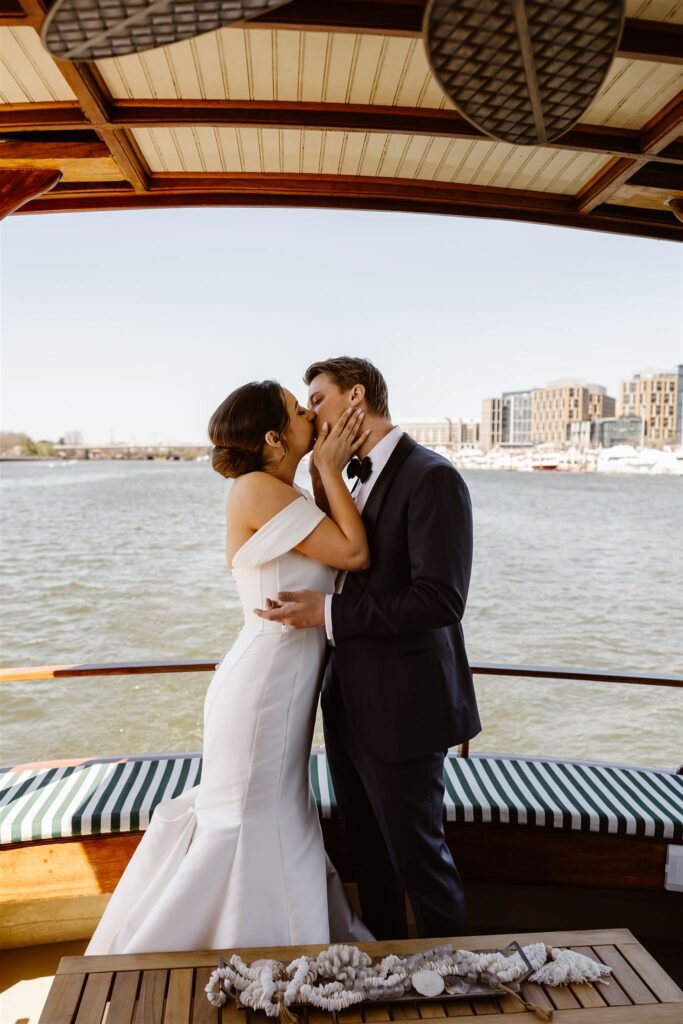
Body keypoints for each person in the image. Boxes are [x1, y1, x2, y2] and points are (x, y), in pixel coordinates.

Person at [86, 380, 373, 954]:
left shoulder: (282, 491)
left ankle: (283, 932)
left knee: (273, 807)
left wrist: (321, 471)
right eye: (299, 411)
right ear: (273, 437)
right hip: (265, 685)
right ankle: (198, 942)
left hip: (283, 682)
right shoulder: (256, 488)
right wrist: (330, 469)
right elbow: (353, 554)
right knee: (247, 812)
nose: (311, 416)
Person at [255, 358, 481, 940]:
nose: (311, 412)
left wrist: (326, 613)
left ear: (357, 395)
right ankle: (388, 976)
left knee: (420, 863)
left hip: (406, 708)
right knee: (370, 860)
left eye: (318, 398)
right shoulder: (348, 479)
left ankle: (458, 982)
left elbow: (439, 600)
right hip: (346, 703)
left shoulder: (433, 477)